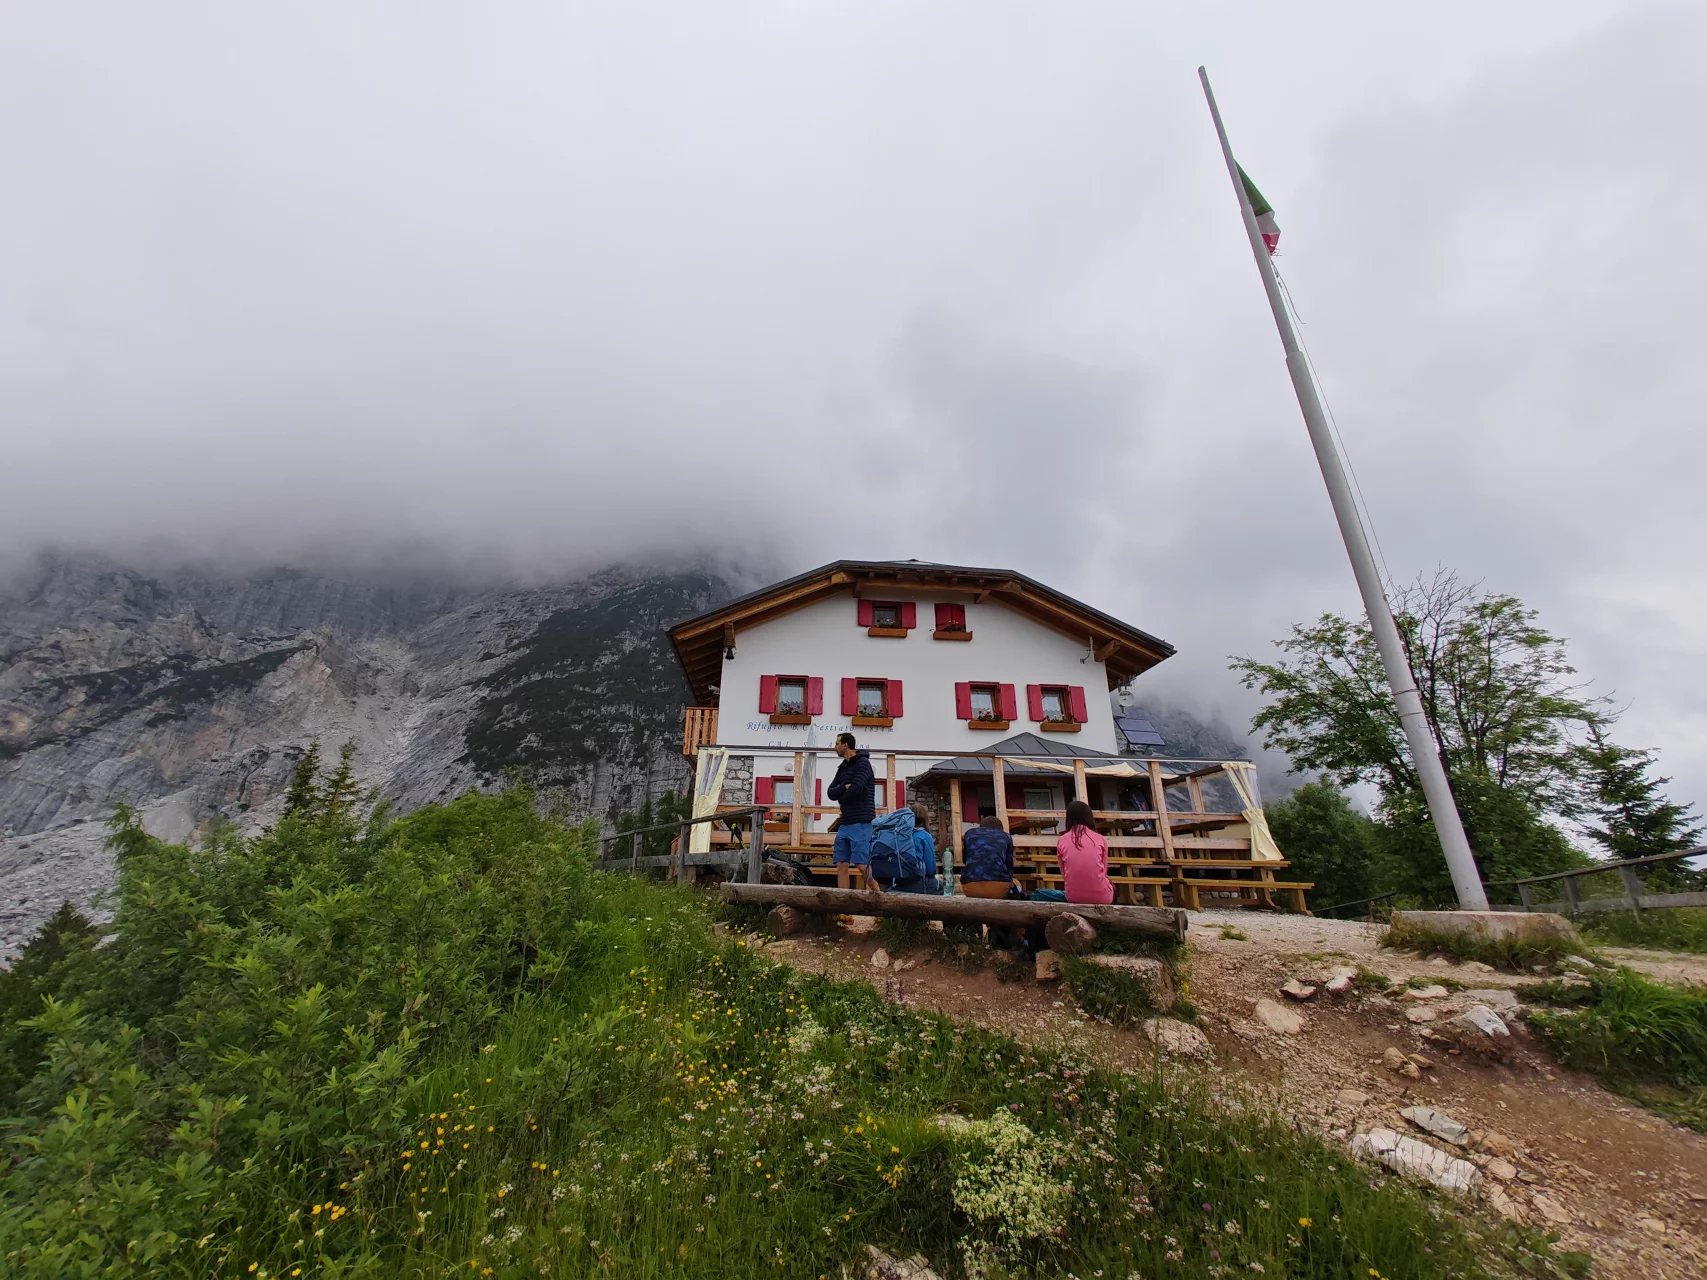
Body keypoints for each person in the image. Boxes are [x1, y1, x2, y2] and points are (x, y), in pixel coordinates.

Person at [826, 732, 875, 889]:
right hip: (845, 823)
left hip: (861, 822)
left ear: (845, 745)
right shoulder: (842, 768)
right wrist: (843, 788)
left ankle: (879, 896)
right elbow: (830, 792)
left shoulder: (863, 764)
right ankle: (843, 905)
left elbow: (856, 789)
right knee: (841, 864)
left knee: (862, 865)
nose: (835, 747)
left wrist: (841, 796)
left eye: (836, 743)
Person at [1057, 799, 1114, 905]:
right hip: (1102, 897)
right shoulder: (1099, 839)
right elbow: (1103, 870)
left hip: (1073, 896)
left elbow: (1064, 873)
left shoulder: (1062, 840)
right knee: (1111, 886)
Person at [959, 815, 1014, 898]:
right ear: (1000, 828)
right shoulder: (1006, 836)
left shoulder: (970, 834)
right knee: (1017, 884)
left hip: (970, 887)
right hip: (999, 888)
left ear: (981, 827)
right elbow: (1009, 865)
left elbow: (965, 859)